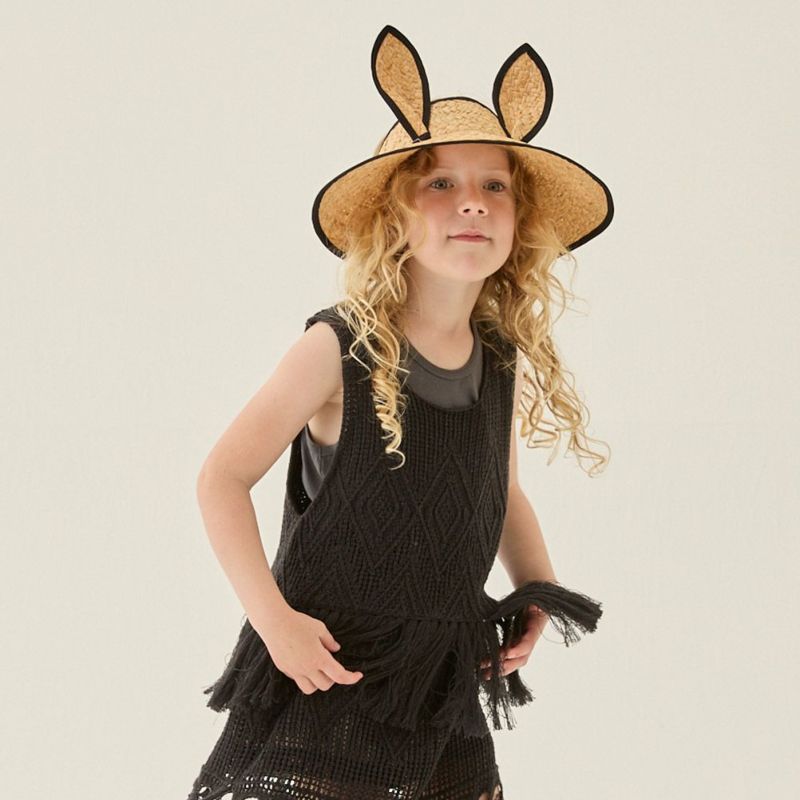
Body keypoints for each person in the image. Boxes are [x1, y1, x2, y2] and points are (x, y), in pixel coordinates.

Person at [186, 24, 612, 800]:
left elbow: (501, 491)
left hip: (438, 677)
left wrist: (537, 587)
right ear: (393, 218)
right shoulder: (336, 347)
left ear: (520, 222)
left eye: (495, 186)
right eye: (440, 183)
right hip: (328, 670)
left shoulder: (499, 357)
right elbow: (221, 478)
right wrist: (275, 622)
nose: (472, 202)